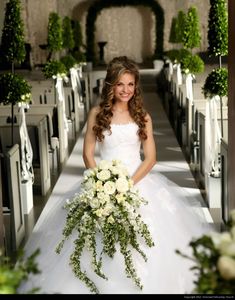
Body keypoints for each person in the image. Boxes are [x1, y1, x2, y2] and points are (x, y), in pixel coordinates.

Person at [19, 56, 213, 295]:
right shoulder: (97, 113)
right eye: (121, 84)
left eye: (131, 84)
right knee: (91, 238)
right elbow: (89, 154)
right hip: (103, 181)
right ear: (111, 85)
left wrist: (127, 185)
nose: (126, 90)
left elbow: (151, 158)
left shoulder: (143, 116)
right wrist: (100, 182)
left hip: (136, 182)